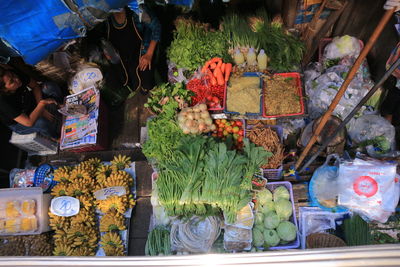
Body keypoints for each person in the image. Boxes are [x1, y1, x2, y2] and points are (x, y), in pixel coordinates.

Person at [91, 5, 161, 95]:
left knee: (148, 88)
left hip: (142, 55)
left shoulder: (137, 10)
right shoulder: (106, 20)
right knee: (133, 89)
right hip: (125, 63)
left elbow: (156, 27)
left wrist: (149, 54)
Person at [0, 65, 62, 138]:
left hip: (28, 103)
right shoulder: (3, 102)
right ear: (4, 90)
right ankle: (56, 138)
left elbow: (35, 86)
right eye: (12, 81)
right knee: (41, 122)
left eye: (13, 75)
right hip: (19, 122)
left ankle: (63, 109)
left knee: (49, 87)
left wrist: (41, 109)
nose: (17, 79)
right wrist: (41, 104)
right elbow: (28, 122)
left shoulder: (12, 74)